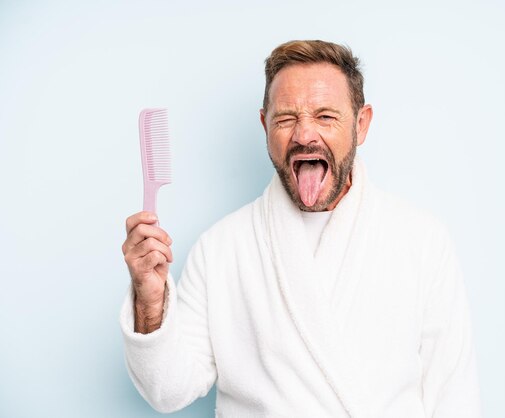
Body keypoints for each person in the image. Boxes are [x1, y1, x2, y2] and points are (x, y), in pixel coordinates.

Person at [120, 40, 481, 418]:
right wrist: (149, 297)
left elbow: (454, 397)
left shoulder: (421, 240)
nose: (304, 135)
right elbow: (168, 391)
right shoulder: (220, 248)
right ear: (265, 125)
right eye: (286, 118)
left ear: (361, 124)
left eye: (325, 116)